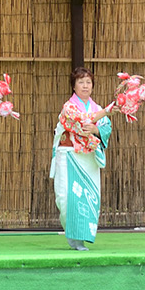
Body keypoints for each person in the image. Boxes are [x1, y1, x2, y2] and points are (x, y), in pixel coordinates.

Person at [50, 66, 117, 251]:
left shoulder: (96, 107)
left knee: (87, 197)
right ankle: (71, 233)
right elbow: (79, 120)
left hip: (88, 158)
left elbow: (105, 129)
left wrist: (96, 130)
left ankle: (80, 236)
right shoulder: (69, 107)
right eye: (81, 82)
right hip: (69, 155)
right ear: (74, 86)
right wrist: (106, 111)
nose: (85, 86)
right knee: (64, 197)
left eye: (88, 82)